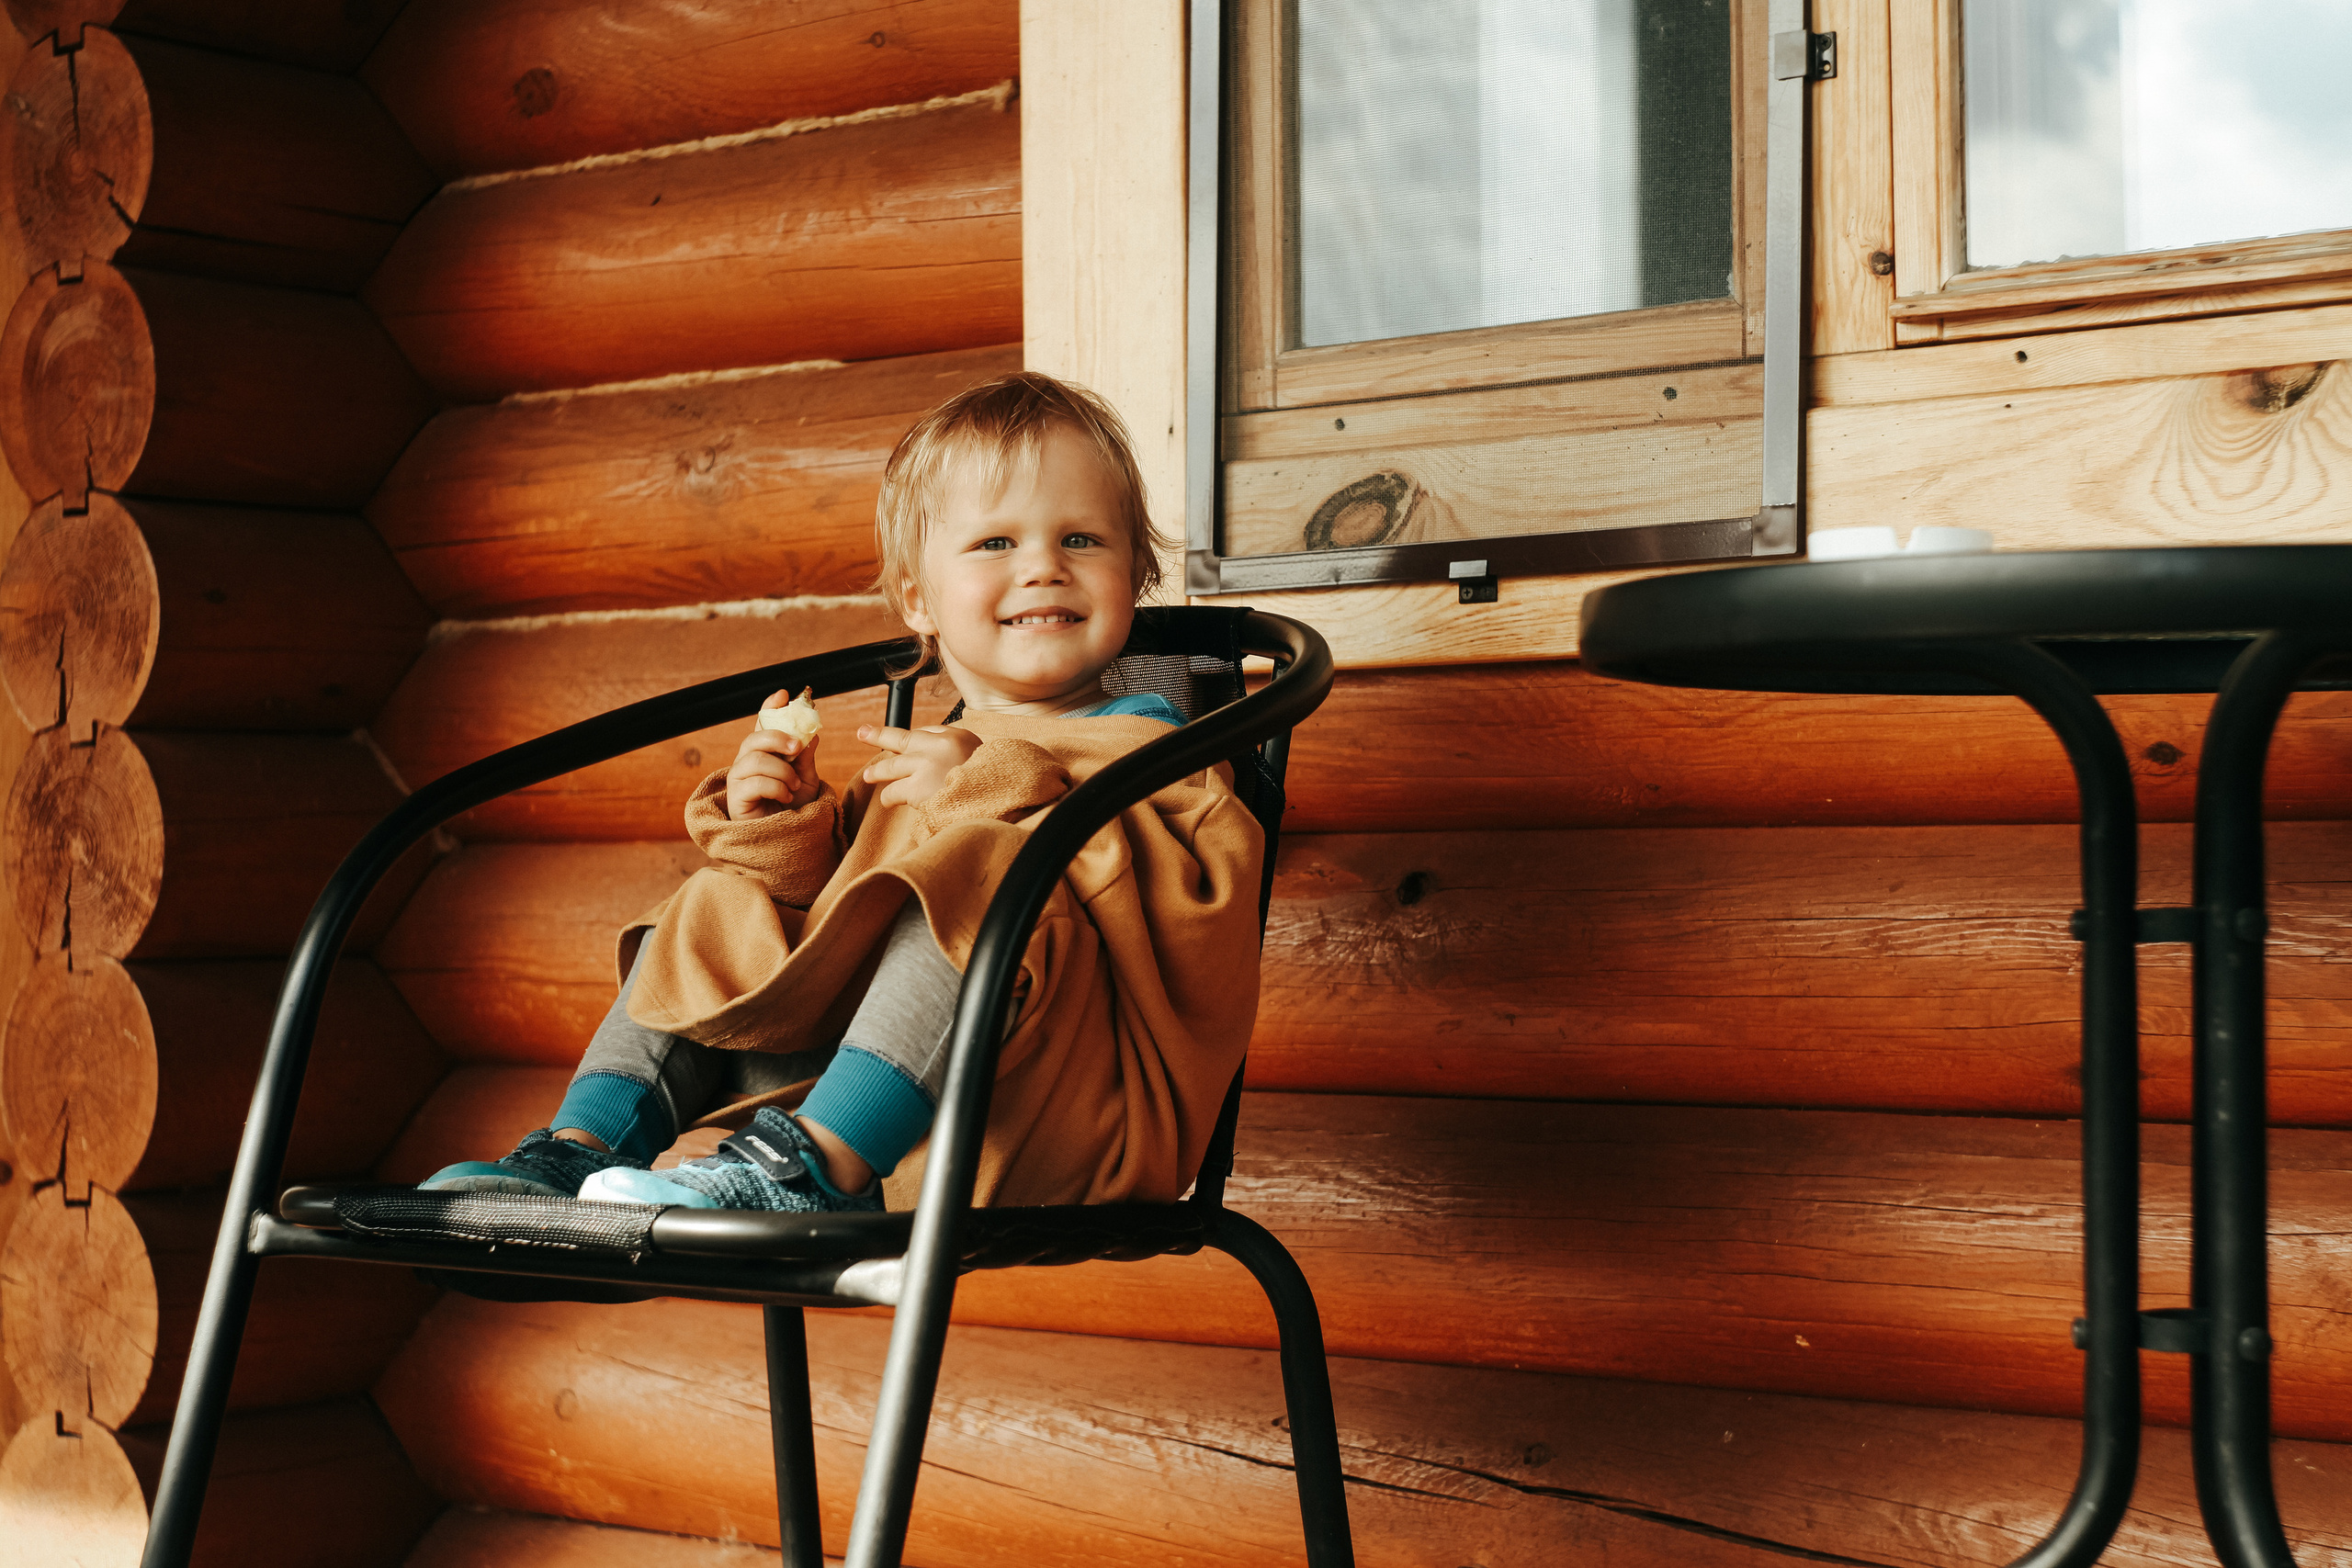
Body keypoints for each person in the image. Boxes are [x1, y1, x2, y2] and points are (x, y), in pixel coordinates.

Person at [420, 372, 1265, 1213]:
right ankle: (577, 1153)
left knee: (987, 869)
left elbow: (1183, 930)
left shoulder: (1161, 762)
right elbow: (834, 932)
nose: (1044, 566)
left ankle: (807, 1172)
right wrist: (785, 834)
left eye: (1081, 538)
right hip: (902, 1121)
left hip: (1066, 1125)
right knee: (721, 902)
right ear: (918, 599)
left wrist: (983, 788)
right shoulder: (916, 766)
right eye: (995, 543)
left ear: (1136, 573)